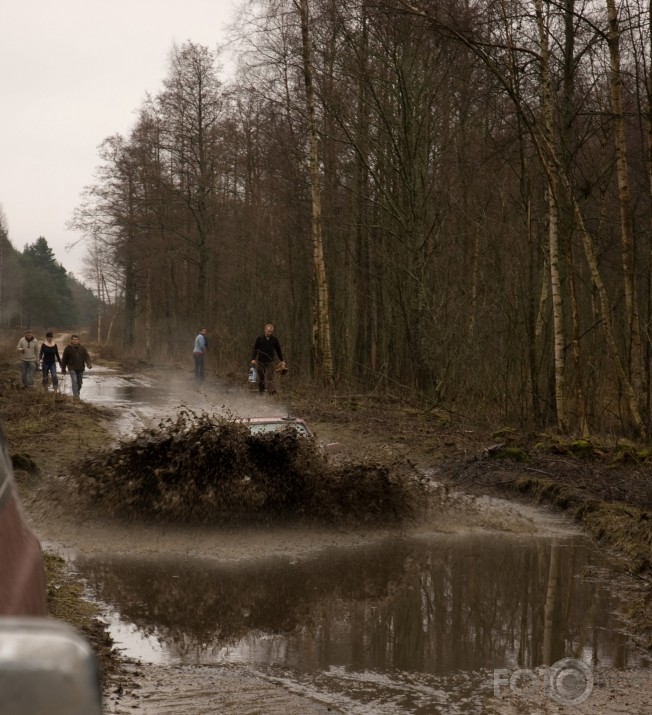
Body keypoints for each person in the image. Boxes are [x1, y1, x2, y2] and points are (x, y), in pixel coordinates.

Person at [251, 323, 286, 395]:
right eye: (268, 331)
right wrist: (253, 359)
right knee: (261, 377)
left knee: (270, 376)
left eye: (271, 331)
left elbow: (278, 350)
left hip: (270, 361)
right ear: (265, 330)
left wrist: (282, 360)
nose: (269, 333)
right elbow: (255, 349)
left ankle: (271, 392)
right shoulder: (259, 339)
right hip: (260, 361)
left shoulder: (274, 340)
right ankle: (261, 392)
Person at [60, 335, 92, 401]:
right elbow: (64, 360)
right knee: (74, 382)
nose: (75, 341)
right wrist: (63, 369)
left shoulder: (82, 348)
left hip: (80, 368)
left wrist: (89, 364)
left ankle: (77, 393)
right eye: (74, 339)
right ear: (71, 340)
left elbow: (86, 357)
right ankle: (76, 397)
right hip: (72, 368)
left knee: (79, 383)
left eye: (76, 339)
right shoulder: (68, 348)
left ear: (78, 340)